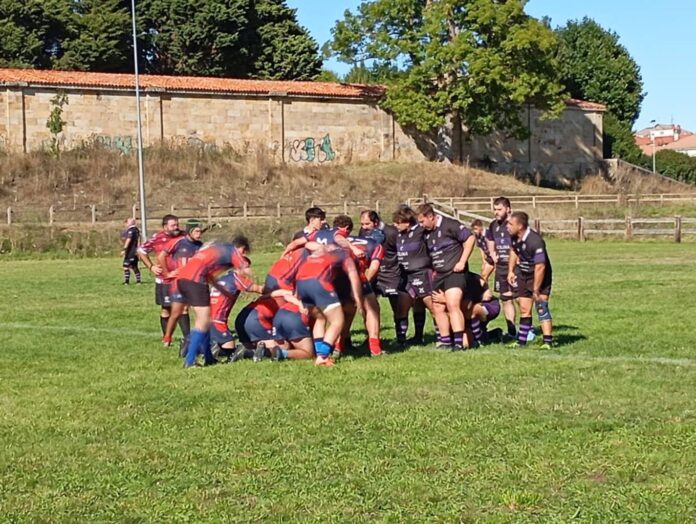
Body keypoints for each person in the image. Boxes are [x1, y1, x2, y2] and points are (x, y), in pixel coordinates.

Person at [176, 236, 251, 368]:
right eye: (244, 253)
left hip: (184, 278)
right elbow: (245, 270)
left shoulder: (219, 250)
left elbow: (210, 276)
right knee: (203, 321)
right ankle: (190, 359)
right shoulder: (233, 251)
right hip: (195, 280)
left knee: (205, 320)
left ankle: (209, 357)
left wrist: (222, 289)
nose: (243, 256)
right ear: (242, 249)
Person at [417, 203, 476, 350]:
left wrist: (462, 261)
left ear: (431, 217)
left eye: (422, 221)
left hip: (454, 273)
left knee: (452, 304)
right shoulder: (427, 233)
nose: (421, 225)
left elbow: (470, 239)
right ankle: (445, 341)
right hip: (439, 274)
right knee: (438, 306)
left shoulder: (450, 225)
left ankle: (458, 343)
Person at [294, 243, 364, 366]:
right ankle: (323, 356)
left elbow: (308, 245)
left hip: (301, 282)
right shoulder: (345, 255)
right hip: (318, 283)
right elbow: (353, 276)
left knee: (320, 319)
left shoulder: (316, 255)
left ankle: (319, 353)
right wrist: (358, 299)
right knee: (337, 321)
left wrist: (298, 299)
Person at [506, 211, 554, 350]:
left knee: (541, 307)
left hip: (540, 276)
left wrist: (536, 289)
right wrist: (511, 270)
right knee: (524, 308)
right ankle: (521, 342)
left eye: (510, 224)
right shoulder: (514, 237)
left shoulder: (535, 241)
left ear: (520, 226)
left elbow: (540, 266)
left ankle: (547, 342)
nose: (507, 226)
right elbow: (514, 251)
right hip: (524, 273)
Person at [159, 219, 204, 346]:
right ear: (190, 231)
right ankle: (167, 337)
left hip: (194, 282)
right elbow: (161, 256)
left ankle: (188, 338)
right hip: (179, 282)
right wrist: (167, 273)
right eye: (196, 231)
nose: (199, 234)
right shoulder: (177, 242)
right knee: (176, 311)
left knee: (193, 310)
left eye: (200, 231)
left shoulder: (200, 245)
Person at [394, 206, 433, 347]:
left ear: (407, 221)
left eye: (398, 222)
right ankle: (401, 339)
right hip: (405, 275)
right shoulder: (399, 235)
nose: (395, 225)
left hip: (421, 273)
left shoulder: (420, 231)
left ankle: (443, 337)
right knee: (402, 306)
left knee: (431, 305)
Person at [137, 214, 182, 336]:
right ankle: (167, 336)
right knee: (166, 308)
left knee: (183, 308)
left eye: (177, 225)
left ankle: (187, 338)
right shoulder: (158, 238)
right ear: (165, 227)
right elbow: (141, 251)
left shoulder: (183, 236)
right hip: (164, 280)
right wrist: (151, 266)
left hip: (181, 279)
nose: (176, 227)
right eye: (173, 225)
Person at [486, 197, 517, 340]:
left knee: (522, 299)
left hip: (517, 268)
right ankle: (512, 331)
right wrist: (492, 253)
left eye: (499, 209)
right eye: (495, 209)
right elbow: (490, 238)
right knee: (506, 299)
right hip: (501, 268)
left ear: (508, 209)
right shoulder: (493, 225)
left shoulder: (515, 224)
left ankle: (526, 329)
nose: (496, 212)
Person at [471, 219, 495, 284]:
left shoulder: (488, 233)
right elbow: (481, 248)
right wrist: (483, 260)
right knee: (483, 276)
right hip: (489, 258)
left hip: (495, 257)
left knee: (484, 276)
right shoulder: (477, 236)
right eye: (473, 229)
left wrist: (495, 261)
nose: (474, 231)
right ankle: (485, 292)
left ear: (480, 227)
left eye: (476, 229)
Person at [121, 217, 141, 285]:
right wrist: (138, 249)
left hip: (130, 251)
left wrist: (124, 249)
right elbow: (139, 240)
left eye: (127, 222)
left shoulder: (131, 230)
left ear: (130, 222)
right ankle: (138, 281)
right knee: (134, 266)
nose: (126, 223)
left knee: (125, 266)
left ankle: (127, 282)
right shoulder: (137, 230)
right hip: (135, 251)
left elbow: (128, 240)